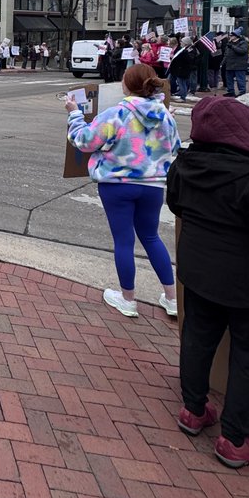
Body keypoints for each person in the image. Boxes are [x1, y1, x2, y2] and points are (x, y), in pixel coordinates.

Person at [167, 97, 249, 467]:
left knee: (197, 340)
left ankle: (193, 408)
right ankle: (235, 437)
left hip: (199, 273)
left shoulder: (185, 166)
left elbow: (176, 207)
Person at [65, 62, 180, 318]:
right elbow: (175, 148)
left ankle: (128, 299)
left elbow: (84, 141)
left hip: (116, 184)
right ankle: (172, 297)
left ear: (126, 86)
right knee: (151, 237)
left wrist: (74, 113)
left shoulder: (116, 114)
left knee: (124, 240)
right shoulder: (165, 116)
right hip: (152, 184)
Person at [222, 27, 249, 96]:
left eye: (232, 35)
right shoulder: (229, 43)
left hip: (239, 65)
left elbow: (242, 51)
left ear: (236, 36)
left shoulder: (243, 43)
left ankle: (242, 92)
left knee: (240, 80)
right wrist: (223, 63)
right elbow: (226, 54)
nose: (230, 37)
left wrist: (232, 47)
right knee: (229, 79)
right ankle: (231, 91)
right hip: (229, 64)